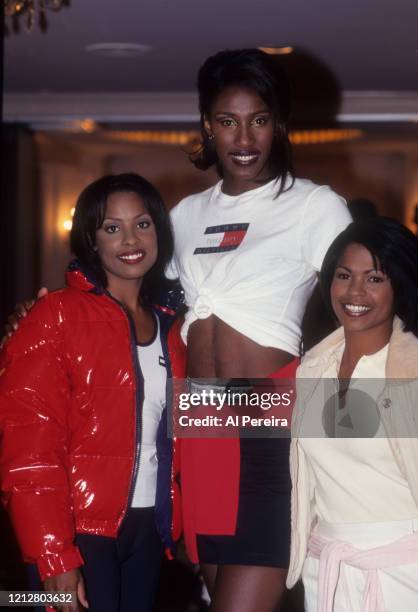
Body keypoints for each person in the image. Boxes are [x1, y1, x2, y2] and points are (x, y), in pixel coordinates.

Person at [166, 48, 351, 612]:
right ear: (207, 126)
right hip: (200, 422)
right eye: (228, 120)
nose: (244, 137)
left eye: (260, 119)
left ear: (280, 125)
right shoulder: (183, 215)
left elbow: (366, 295)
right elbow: (151, 307)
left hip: (269, 417)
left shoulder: (315, 206)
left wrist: (378, 403)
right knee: (214, 591)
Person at [0, 173, 185, 612]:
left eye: (142, 224)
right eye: (111, 227)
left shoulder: (175, 330)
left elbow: (200, 422)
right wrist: (53, 555)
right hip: (78, 533)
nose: (129, 239)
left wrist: (353, 410)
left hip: (148, 531)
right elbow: (29, 447)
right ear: (91, 239)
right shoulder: (54, 316)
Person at [287, 217, 418, 611]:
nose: (355, 291)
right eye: (344, 275)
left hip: (404, 573)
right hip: (328, 571)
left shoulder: (411, 372)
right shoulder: (313, 368)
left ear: (400, 285)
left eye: (374, 279)